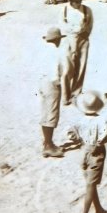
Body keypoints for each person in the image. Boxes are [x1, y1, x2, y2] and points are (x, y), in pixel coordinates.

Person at [67, 90, 107, 213]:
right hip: (96, 152)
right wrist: (98, 143)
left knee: (90, 183)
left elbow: (71, 133)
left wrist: (78, 139)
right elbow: (105, 136)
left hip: (84, 151)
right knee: (91, 185)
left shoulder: (80, 121)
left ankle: (98, 209)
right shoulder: (101, 120)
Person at [38, 27, 70, 158]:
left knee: (45, 113)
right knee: (52, 114)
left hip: (42, 83)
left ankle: (46, 142)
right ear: (57, 39)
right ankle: (49, 146)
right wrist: (61, 87)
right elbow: (55, 74)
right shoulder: (56, 52)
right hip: (51, 84)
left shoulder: (43, 51)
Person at [60, 0, 93, 101]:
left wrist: (83, 35)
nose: (79, 3)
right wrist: (73, 32)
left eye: (80, 0)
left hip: (82, 41)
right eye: (76, 1)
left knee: (80, 68)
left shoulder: (86, 10)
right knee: (68, 69)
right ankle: (65, 96)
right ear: (70, 1)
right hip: (68, 41)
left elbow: (89, 26)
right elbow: (63, 27)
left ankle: (76, 94)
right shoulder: (64, 10)